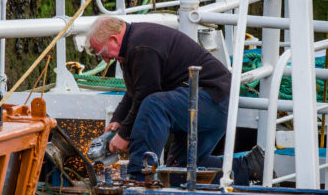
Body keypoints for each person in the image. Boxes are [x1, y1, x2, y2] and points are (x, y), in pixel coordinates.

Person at [86, 16, 266, 185]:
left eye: (102, 52)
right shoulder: (133, 45)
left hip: (211, 99)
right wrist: (117, 120)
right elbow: (135, 90)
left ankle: (139, 177)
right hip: (206, 99)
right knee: (178, 170)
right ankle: (249, 167)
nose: (104, 59)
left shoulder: (141, 47)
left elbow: (146, 93)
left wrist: (124, 135)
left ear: (114, 40)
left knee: (154, 105)